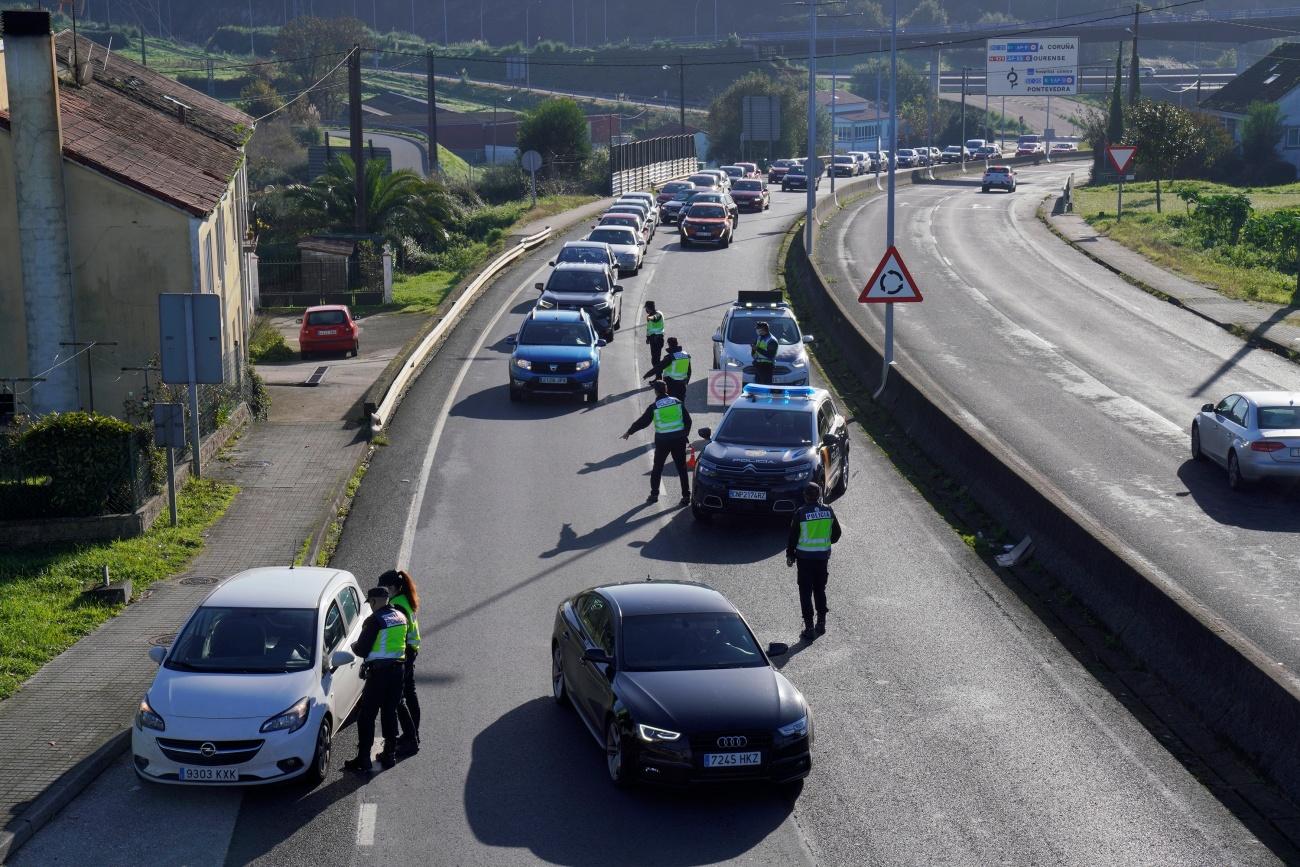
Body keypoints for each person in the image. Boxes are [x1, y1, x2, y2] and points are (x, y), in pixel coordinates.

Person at [343, 587, 408, 773]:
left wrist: (354, 645)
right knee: (389, 712)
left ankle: (364, 758)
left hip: (379, 674)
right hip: (398, 671)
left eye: (370, 603)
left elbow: (362, 650)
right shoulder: (400, 616)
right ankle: (389, 755)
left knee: (366, 716)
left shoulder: (374, 621)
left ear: (373, 601)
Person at [786, 483, 842, 640]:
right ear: (819, 495)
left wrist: (790, 555)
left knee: (805, 592)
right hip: (822, 558)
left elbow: (793, 537)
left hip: (804, 560)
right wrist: (824, 542)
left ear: (805, 496)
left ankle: (809, 627)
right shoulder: (828, 510)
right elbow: (837, 534)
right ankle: (821, 623)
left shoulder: (801, 513)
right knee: (820, 590)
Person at [621, 380, 692, 506]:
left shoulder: (654, 407)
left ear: (655, 392)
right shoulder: (677, 402)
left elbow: (643, 422)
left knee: (657, 468)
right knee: (681, 468)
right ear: (666, 390)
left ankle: (654, 495)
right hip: (678, 440)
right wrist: (684, 434)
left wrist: (629, 432)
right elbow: (688, 421)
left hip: (663, 442)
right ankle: (686, 496)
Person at [378, 569, 421, 755]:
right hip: (412, 650)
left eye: (384, 588)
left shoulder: (397, 605)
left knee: (400, 698)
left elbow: (397, 634)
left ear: (393, 587)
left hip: (405, 653)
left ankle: (410, 738)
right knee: (409, 693)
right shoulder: (403, 599)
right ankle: (412, 734)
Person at [643, 336, 691, 401]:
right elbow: (689, 371)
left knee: (671, 402)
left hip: (671, 384)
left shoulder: (670, 357)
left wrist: (647, 375)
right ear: (677, 343)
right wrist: (686, 382)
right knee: (681, 403)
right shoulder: (686, 355)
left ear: (669, 345)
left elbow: (658, 367)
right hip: (682, 384)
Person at [751, 321, 778, 385]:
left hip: (767, 366)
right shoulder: (760, 337)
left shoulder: (772, 340)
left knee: (766, 385)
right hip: (758, 365)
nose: (756, 330)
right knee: (758, 385)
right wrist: (753, 350)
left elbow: (770, 355)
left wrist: (757, 349)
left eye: (758, 328)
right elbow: (755, 349)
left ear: (762, 329)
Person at [644, 301, 666, 367]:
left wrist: (649, 318)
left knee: (656, 358)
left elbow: (656, 318)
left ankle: (658, 374)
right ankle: (658, 373)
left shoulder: (659, 313)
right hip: (652, 339)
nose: (646, 310)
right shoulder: (649, 316)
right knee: (654, 358)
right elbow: (648, 328)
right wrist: (647, 338)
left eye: (646, 308)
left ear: (649, 308)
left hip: (658, 338)